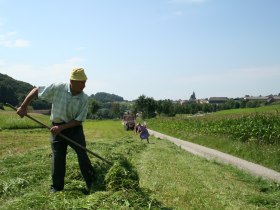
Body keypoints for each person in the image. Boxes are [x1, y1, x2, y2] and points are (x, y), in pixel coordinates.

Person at [17, 67, 95, 193]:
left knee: (82, 154)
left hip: (74, 129)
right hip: (56, 128)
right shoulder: (58, 88)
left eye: (85, 82)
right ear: (72, 81)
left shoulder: (84, 99)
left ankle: (91, 182)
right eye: (81, 82)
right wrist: (23, 106)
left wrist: (62, 128)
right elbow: (36, 91)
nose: (84, 85)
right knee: (58, 158)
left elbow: (79, 120)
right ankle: (56, 188)